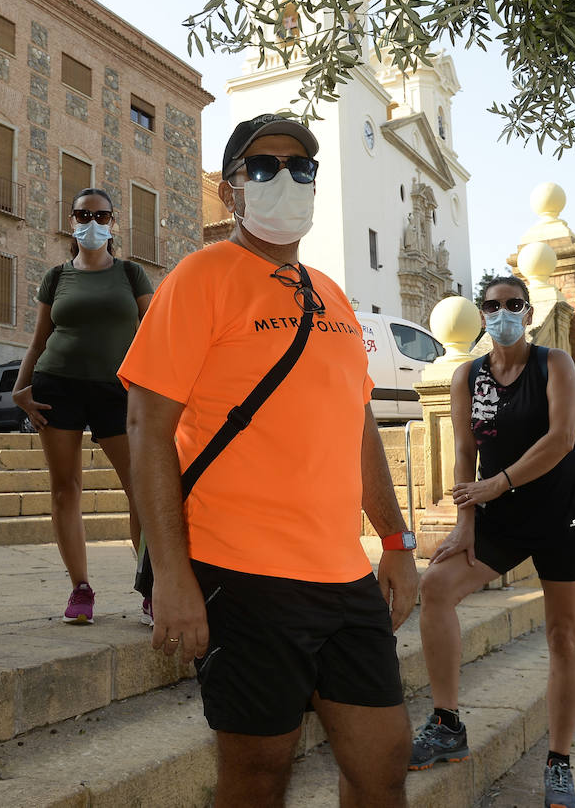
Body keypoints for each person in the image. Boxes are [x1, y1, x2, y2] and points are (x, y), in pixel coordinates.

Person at [120, 114, 419, 807]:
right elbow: (145, 424)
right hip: (240, 575)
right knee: (258, 774)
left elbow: (359, 425)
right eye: (262, 167)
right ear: (230, 192)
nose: (285, 179)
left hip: (343, 578)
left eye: (301, 166)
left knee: (384, 760)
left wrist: (398, 542)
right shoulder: (201, 277)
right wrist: (170, 573)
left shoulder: (332, 294)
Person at [409, 275, 575, 808]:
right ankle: (447, 724)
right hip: (499, 516)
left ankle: (558, 762)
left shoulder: (554, 365)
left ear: (528, 312)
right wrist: (466, 522)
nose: (503, 312)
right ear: (482, 314)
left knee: (562, 635)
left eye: (514, 304)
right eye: (493, 305)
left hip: (561, 515)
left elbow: (561, 439)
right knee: (437, 587)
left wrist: (498, 482)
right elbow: (464, 451)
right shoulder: (470, 376)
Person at [11, 187, 153, 624]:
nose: (92, 222)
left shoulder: (131, 275)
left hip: (119, 391)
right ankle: (80, 588)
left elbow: (152, 335)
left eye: (101, 215)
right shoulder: (56, 277)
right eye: (82, 214)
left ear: (113, 223)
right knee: (64, 488)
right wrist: (20, 386)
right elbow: (39, 339)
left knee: (141, 491)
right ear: (71, 221)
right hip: (58, 387)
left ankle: (152, 588)